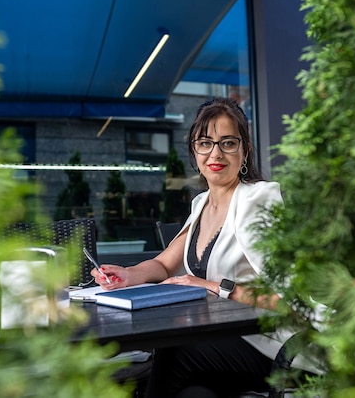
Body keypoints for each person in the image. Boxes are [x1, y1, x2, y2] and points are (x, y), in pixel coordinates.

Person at [91, 97, 286, 398]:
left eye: (228, 143)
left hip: (266, 341)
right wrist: (128, 274)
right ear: (195, 153)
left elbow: (286, 299)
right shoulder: (200, 205)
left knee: (175, 351)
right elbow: (164, 264)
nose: (215, 153)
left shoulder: (258, 200)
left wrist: (214, 287)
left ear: (244, 151)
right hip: (221, 337)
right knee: (193, 393)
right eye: (205, 143)